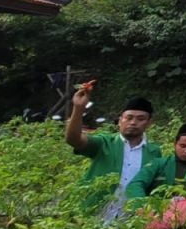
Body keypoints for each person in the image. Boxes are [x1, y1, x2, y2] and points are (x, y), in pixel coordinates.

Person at [64, 84, 162, 220]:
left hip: (130, 221)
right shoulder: (104, 143)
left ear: (149, 123)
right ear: (120, 120)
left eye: (140, 119)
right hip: (93, 218)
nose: (133, 122)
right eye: (129, 117)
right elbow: (73, 139)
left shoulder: (154, 152)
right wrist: (78, 108)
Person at [123, 121, 186, 208]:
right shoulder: (158, 164)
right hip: (155, 219)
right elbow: (135, 184)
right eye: (183, 146)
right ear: (175, 144)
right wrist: (142, 207)